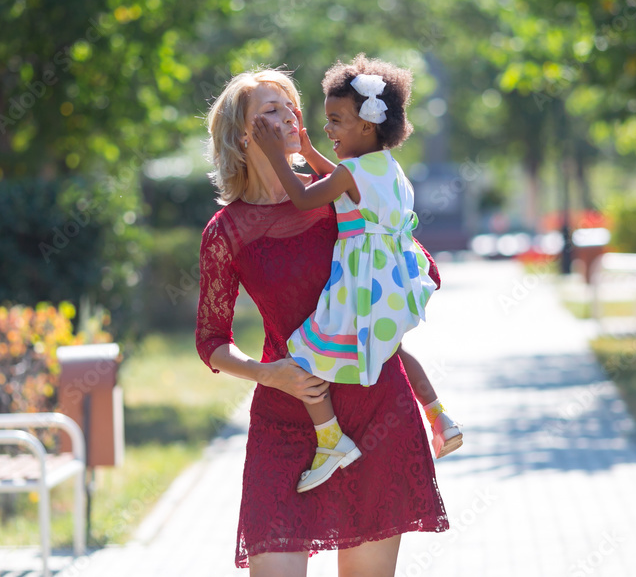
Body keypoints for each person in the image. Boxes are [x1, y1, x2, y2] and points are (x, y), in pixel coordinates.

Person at [197, 67, 448, 575]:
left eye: (290, 105)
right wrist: (268, 374)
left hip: (375, 411)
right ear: (242, 134)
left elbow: (419, 263)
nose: (290, 115)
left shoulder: (341, 191)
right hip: (285, 418)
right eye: (271, 110)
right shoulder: (226, 231)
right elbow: (211, 341)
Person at [251, 54, 462, 494]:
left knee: (304, 352)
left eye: (336, 120)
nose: (327, 128)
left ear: (366, 126)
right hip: (394, 281)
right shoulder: (387, 166)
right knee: (392, 350)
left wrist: (276, 155)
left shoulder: (349, 171)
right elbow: (348, 184)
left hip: (361, 285)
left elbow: (306, 199)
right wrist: (308, 153)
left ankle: (330, 439)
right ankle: (438, 414)